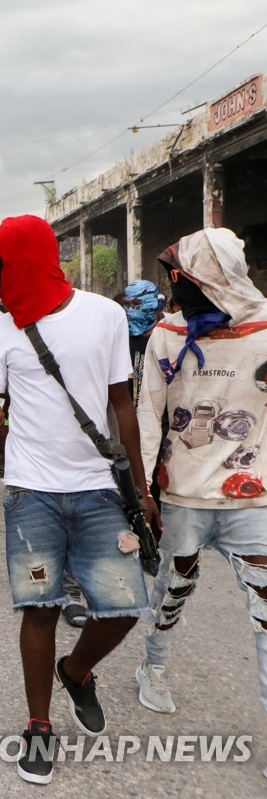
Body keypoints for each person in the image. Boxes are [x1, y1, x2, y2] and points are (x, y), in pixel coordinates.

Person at [0, 214, 152, 785]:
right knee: (38, 609)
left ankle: (77, 669)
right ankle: (38, 725)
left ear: (27, 260)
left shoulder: (105, 317)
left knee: (123, 608)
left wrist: (141, 487)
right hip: (32, 491)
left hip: (98, 490)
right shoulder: (1, 332)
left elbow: (123, 407)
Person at [133, 229, 267, 718]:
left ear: (211, 279)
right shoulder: (167, 335)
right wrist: (142, 489)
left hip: (253, 499)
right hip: (183, 495)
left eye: (179, 280)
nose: (173, 293)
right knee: (173, 590)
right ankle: (154, 667)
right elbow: (148, 413)